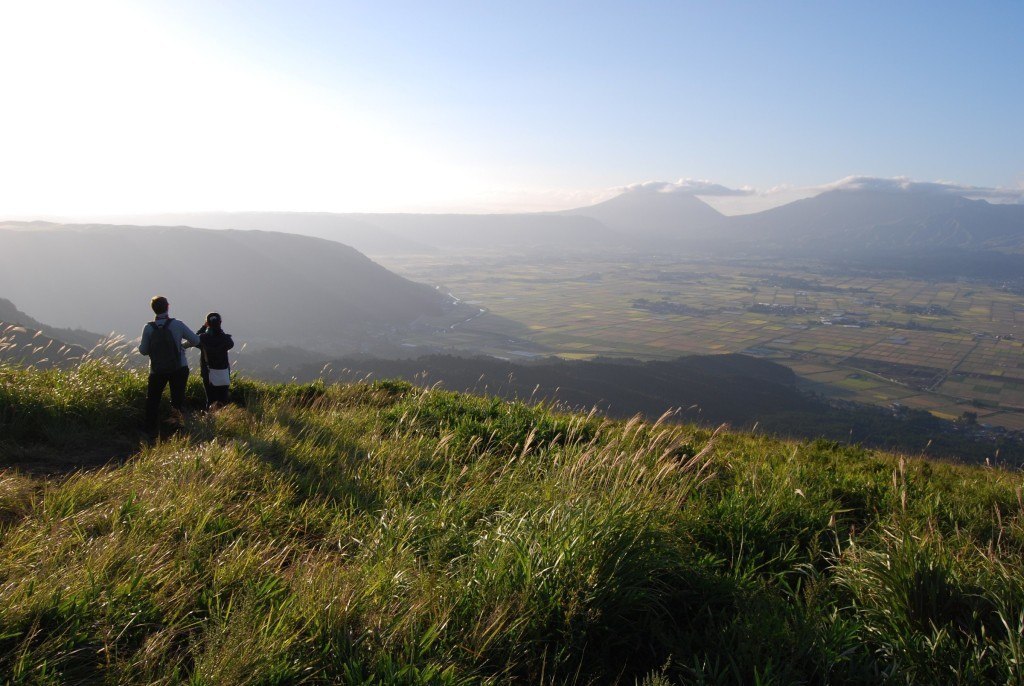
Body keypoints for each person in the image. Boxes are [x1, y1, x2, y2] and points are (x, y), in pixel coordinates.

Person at [138, 296, 200, 436]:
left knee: (153, 399)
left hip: (156, 370)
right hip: (179, 367)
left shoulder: (148, 328)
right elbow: (195, 340)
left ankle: (150, 430)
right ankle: (178, 430)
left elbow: (143, 351)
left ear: (153, 309)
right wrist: (182, 346)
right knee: (177, 399)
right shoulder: (177, 324)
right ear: (168, 307)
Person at [196, 312, 234, 409]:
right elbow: (230, 344)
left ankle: (210, 420)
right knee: (223, 400)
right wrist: (219, 329)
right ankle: (223, 420)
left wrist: (204, 327)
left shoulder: (203, 338)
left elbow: (194, 339)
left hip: (207, 373)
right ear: (220, 323)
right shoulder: (225, 339)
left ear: (207, 323)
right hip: (223, 372)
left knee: (210, 400)